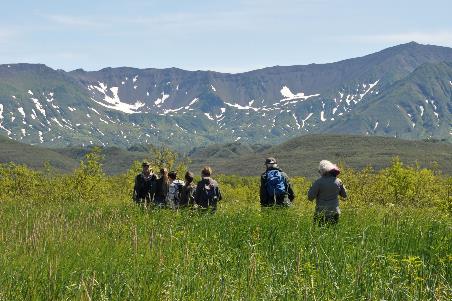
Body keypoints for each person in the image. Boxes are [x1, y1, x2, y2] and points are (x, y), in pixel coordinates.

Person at [307, 160, 347, 226]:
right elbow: (344, 195)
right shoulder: (338, 181)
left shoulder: (318, 182)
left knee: (318, 232)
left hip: (321, 213)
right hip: (335, 212)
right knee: (333, 232)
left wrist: (311, 188)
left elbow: (310, 198)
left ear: (322, 171)